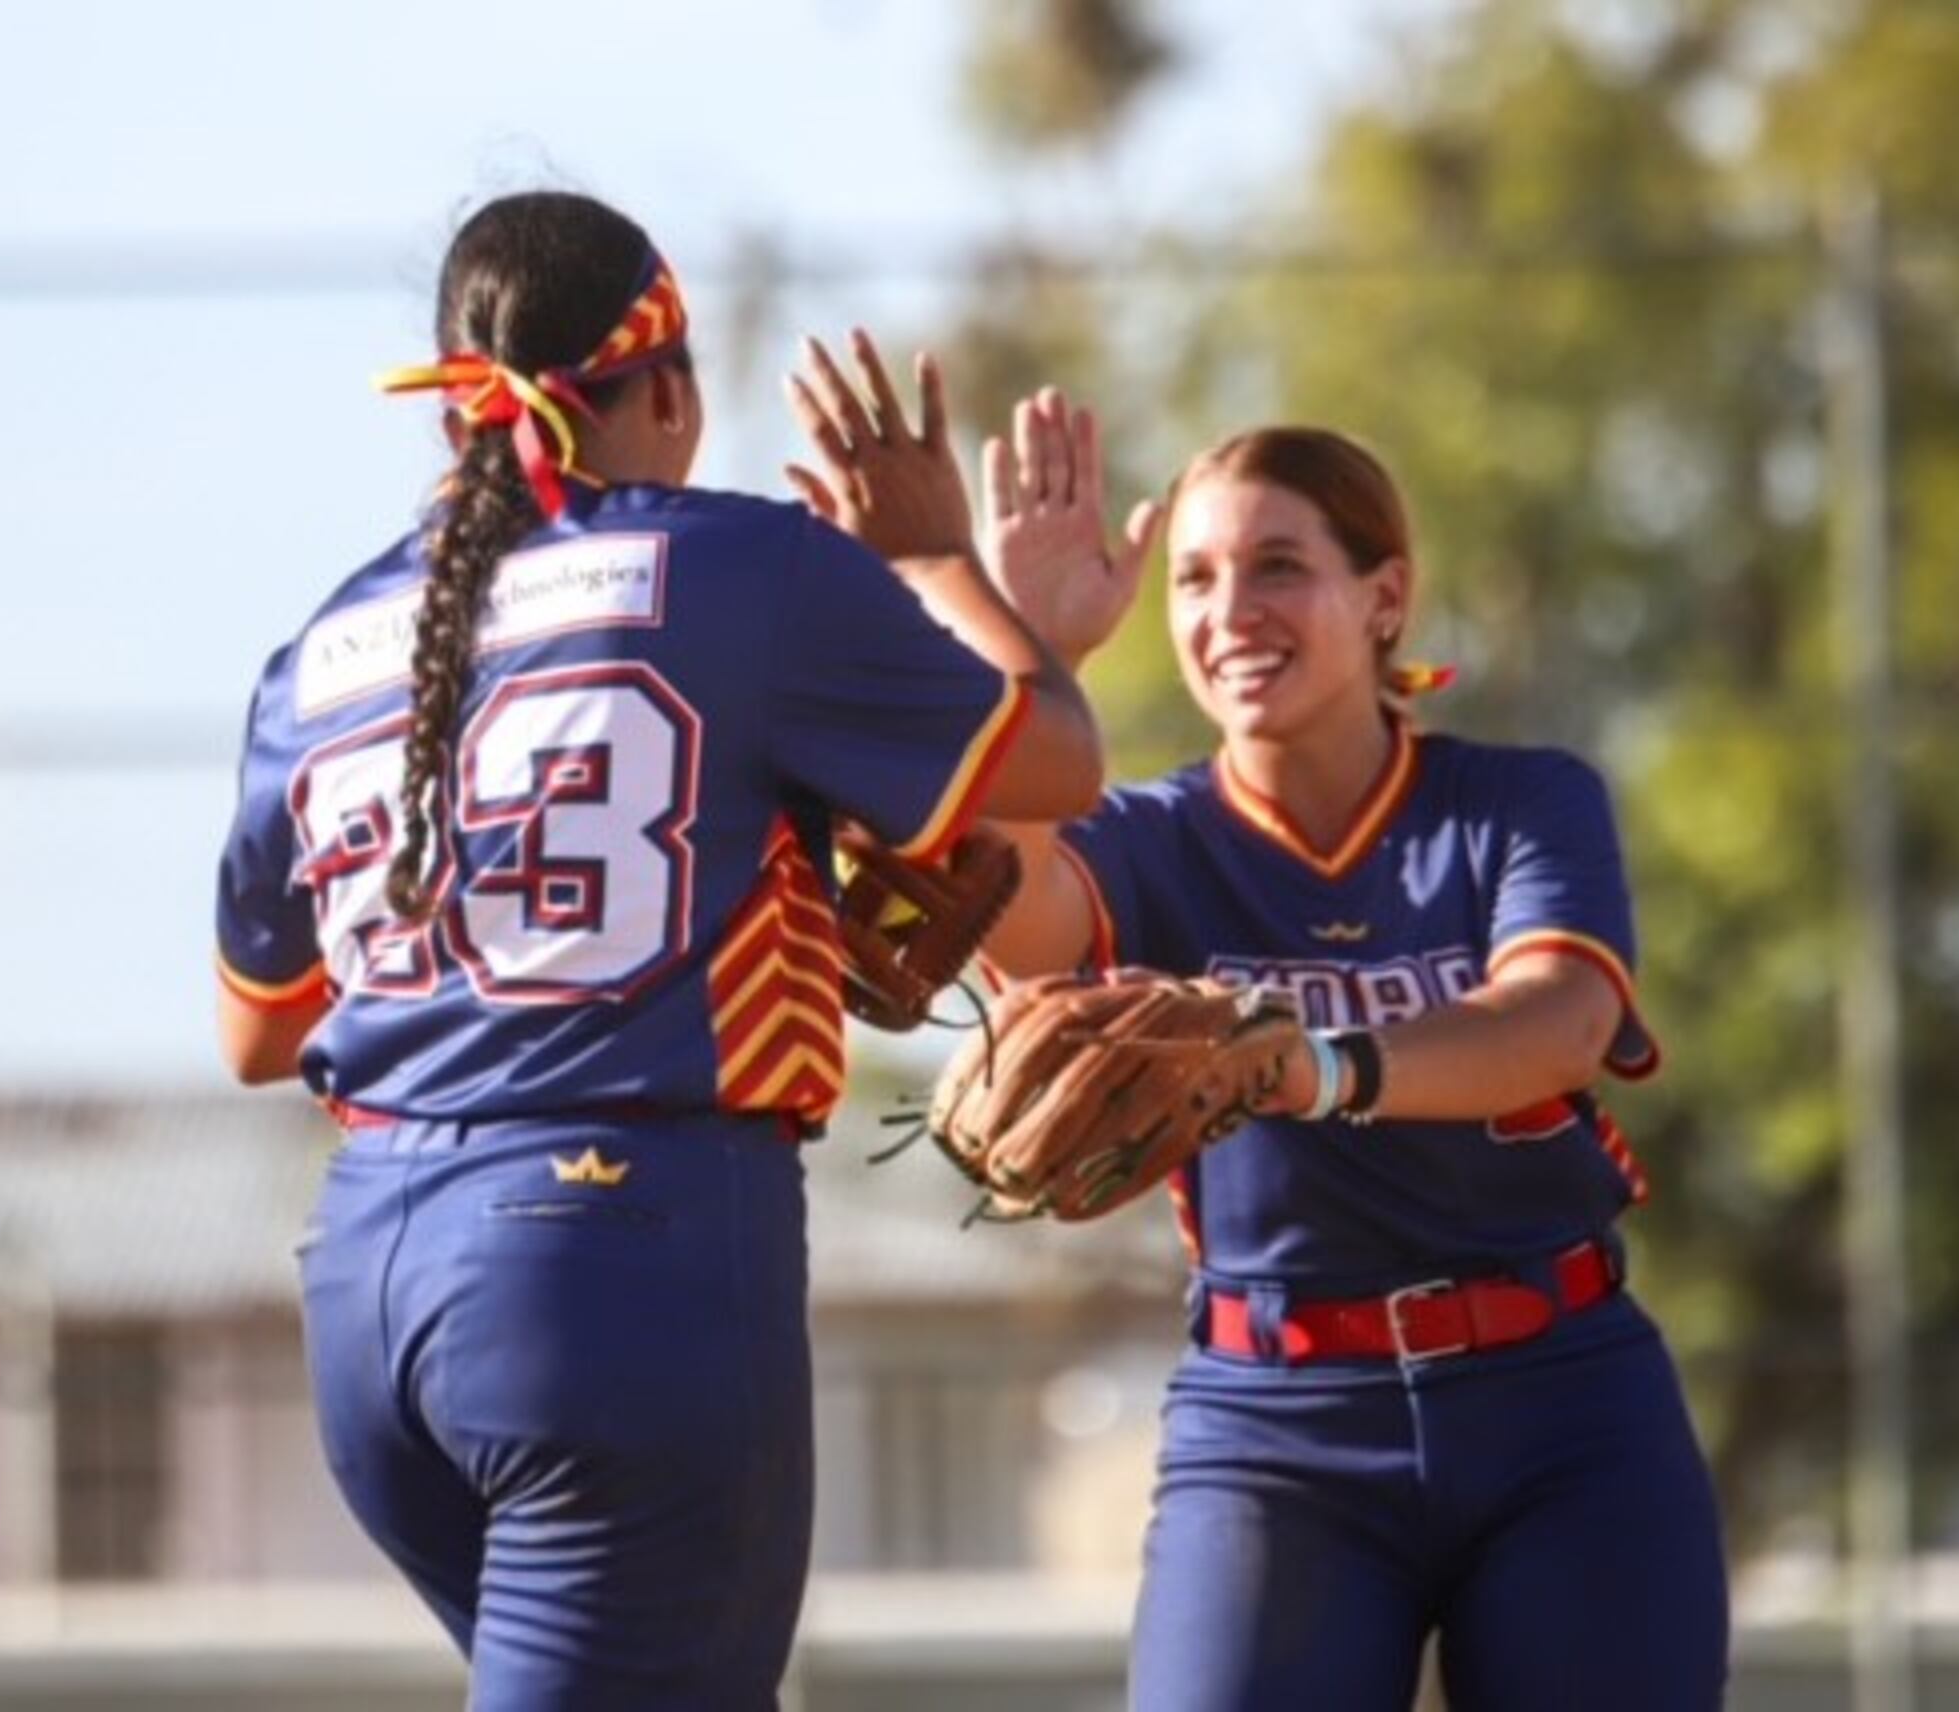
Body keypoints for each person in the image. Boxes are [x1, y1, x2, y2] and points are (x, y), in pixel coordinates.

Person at [211, 189, 1101, 1711]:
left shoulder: (322, 649)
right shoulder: (738, 569)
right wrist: (941, 557)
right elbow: (1061, 762)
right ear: (671, 389)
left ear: (455, 422)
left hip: (369, 1290)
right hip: (622, 1268)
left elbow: (257, 1032)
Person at [962, 395, 1729, 1710]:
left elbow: (1556, 1028)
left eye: (1279, 567)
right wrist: (1040, 659)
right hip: (1276, 1426)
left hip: (1561, 1401)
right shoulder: (1150, 837)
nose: (1229, 611)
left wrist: (1308, 1063)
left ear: (1385, 598)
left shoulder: (1515, 804)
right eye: (1196, 579)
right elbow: (1019, 930)